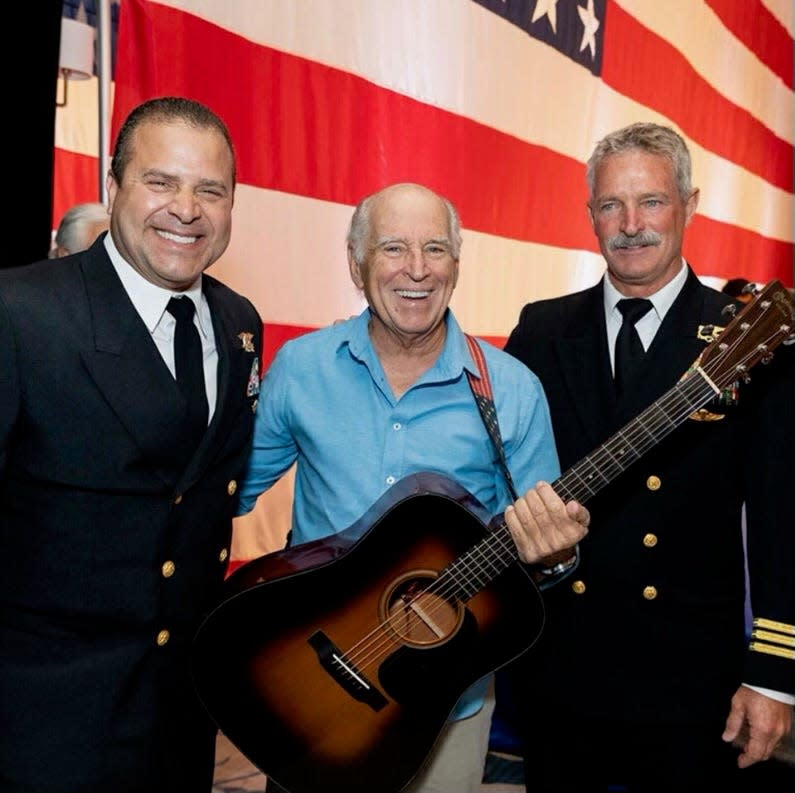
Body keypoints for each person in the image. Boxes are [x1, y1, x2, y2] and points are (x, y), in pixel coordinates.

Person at [236, 181, 590, 793]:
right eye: (394, 248)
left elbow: (539, 556)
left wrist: (556, 553)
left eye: (435, 249)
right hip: (310, 681)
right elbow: (226, 494)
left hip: (445, 705)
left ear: (457, 263)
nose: (417, 270)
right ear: (356, 261)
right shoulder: (301, 368)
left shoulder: (511, 390)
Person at [504, 122, 794, 792]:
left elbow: (780, 522)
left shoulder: (745, 337)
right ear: (589, 215)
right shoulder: (540, 330)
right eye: (610, 205)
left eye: (651, 202)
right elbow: (504, 483)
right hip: (559, 672)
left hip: (689, 687)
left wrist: (773, 674)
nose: (630, 224)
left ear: (688, 205)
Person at [0, 97, 263, 793]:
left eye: (211, 189)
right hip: (43, 724)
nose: (187, 208)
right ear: (112, 187)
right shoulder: (21, 313)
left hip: (180, 720)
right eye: (160, 181)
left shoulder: (239, 324)